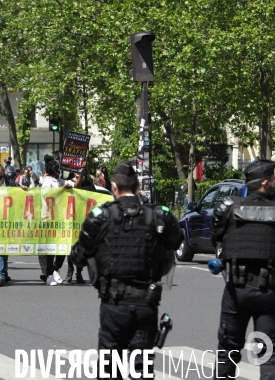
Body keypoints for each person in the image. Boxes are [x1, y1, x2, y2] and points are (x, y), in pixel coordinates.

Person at [71, 161, 181, 377]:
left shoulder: (100, 217)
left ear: (114, 186)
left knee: (111, 368)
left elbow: (78, 257)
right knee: (140, 369)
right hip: (146, 304)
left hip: (114, 304)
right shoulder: (157, 216)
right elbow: (175, 242)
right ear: (138, 186)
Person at [211, 159, 275, 378]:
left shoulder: (231, 208)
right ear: (266, 183)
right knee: (268, 355)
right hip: (269, 291)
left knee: (228, 352)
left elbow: (217, 237)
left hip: (236, 290)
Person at [38, 156, 74, 286]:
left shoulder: (58, 181)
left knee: (61, 246)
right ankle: (48, 274)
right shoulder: (47, 182)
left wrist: (76, 177)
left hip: (59, 218)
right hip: (48, 218)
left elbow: (74, 184)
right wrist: (62, 189)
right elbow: (48, 195)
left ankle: (53, 269)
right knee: (49, 248)